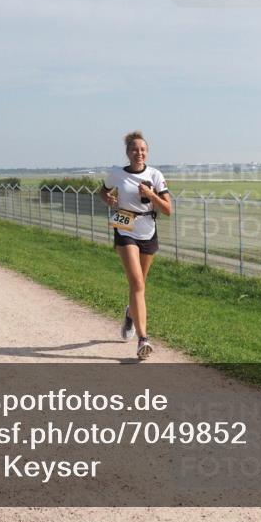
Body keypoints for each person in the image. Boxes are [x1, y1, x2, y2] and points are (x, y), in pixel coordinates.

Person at [100, 131, 172, 360]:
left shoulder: (155, 175)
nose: (138, 153)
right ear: (127, 153)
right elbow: (102, 191)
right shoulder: (117, 173)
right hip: (124, 225)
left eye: (142, 150)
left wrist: (151, 194)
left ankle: (131, 313)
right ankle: (143, 339)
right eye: (134, 149)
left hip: (148, 229)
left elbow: (168, 210)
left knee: (140, 284)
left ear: (147, 152)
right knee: (137, 283)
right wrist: (108, 199)